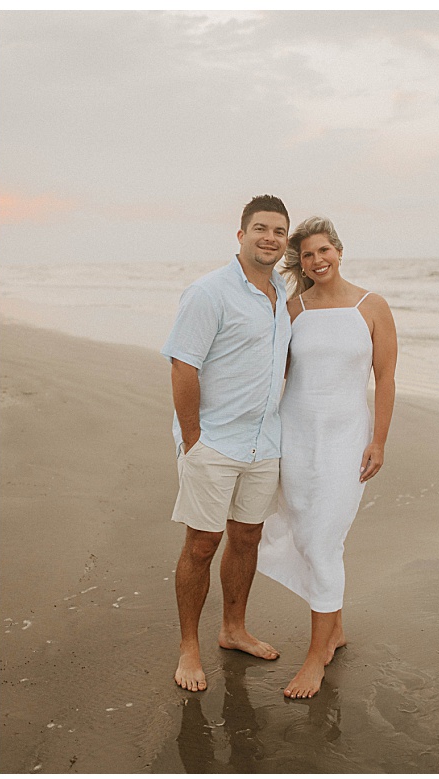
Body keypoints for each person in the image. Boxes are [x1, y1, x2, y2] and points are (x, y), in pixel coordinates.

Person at [258, 218, 398, 699]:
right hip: (297, 433)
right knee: (301, 526)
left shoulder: (371, 306)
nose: (318, 261)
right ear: (302, 262)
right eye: (309, 256)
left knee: (324, 539)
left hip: (346, 438)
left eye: (324, 251)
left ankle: (316, 656)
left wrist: (378, 440)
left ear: (339, 250)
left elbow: (386, 379)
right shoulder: (292, 307)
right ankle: (334, 631)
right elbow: (277, 374)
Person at [162, 195, 293, 694]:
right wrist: (193, 438)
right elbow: (182, 364)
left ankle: (233, 629)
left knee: (247, 538)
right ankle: (189, 647)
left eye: (279, 231)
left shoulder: (282, 294)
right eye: (260, 228)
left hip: (265, 441)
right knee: (202, 544)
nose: (270, 238)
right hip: (214, 441)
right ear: (240, 235)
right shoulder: (209, 292)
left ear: (286, 241)